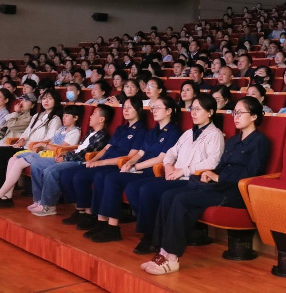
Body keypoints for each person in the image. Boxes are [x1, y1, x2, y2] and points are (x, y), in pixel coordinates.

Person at [142, 97, 270, 275]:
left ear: (254, 116)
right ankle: (161, 252)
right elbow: (220, 166)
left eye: (241, 113)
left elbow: (252, 173)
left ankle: (172, 258)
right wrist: (209, 174)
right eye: (235, 113)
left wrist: (218, 177)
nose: (236, 116)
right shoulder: (233, 140)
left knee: (181, 199)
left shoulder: (260, 141)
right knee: (168, 196)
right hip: (218, 186)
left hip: (235, 192)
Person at [73, 97, 183, 243]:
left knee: (114, 179)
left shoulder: (173, 132)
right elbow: (140, 153)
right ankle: (103, 223)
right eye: (153, 108)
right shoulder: (152, 131)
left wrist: (135, 166)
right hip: (139, 168)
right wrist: (130, 162)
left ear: (169, 111)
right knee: (107, 178)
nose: (154, 111)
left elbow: (160, 159)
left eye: (158, 108)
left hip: (152, 170)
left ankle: (116, 228)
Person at [125, 94, 224, 254]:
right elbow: (171, 152)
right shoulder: (187, 133)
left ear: (210, 112)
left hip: (190, 179)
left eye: (198, 109)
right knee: (134, 187)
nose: (193, 113)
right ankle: (153, 230)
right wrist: (169, 165)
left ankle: (151, 236)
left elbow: (212, 162)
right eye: (192, 109)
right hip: (174, 175)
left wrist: (182, 171)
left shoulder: (215, 135)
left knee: (148, 190)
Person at [0, 105, 112, 210]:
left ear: (101, 119)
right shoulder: (90, 132)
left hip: (77, 160)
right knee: (33, 164)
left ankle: (48, 205)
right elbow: (78, 148)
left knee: (49, 170)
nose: (90, 116)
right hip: (66, 155)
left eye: (94, 114)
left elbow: (84, 154)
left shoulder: (101, 135)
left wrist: (64, 156)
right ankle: (38, 200)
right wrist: (62, 153)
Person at [0, 90, 64, 199]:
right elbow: (27, 132)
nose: (46, 101)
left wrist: (33, 144)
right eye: (44, 98)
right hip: (24, 146)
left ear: (56, 101)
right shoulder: (37, 115)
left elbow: (49, 139)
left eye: (50, 98)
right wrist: (22, 139)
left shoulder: (55, 119)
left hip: (33, 150)